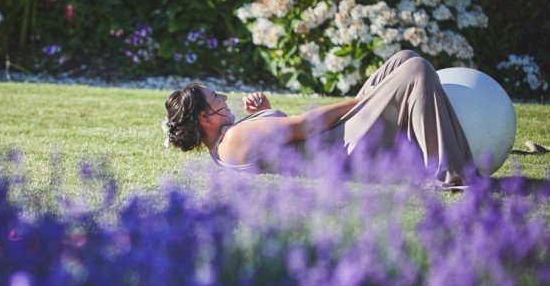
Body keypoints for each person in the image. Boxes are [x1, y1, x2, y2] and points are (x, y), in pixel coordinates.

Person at [163, 50, 474, 186]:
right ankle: (453, 174)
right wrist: (362, 101)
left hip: (334, 138)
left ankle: (440, 152)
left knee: (403, 60)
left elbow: (278, 140)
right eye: (217, 97)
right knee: (416, 69)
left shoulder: (231, 136)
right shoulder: (233, 139)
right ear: (205, 117)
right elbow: (306, 125)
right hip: (339, 147)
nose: (225, 98)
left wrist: (265, 111)